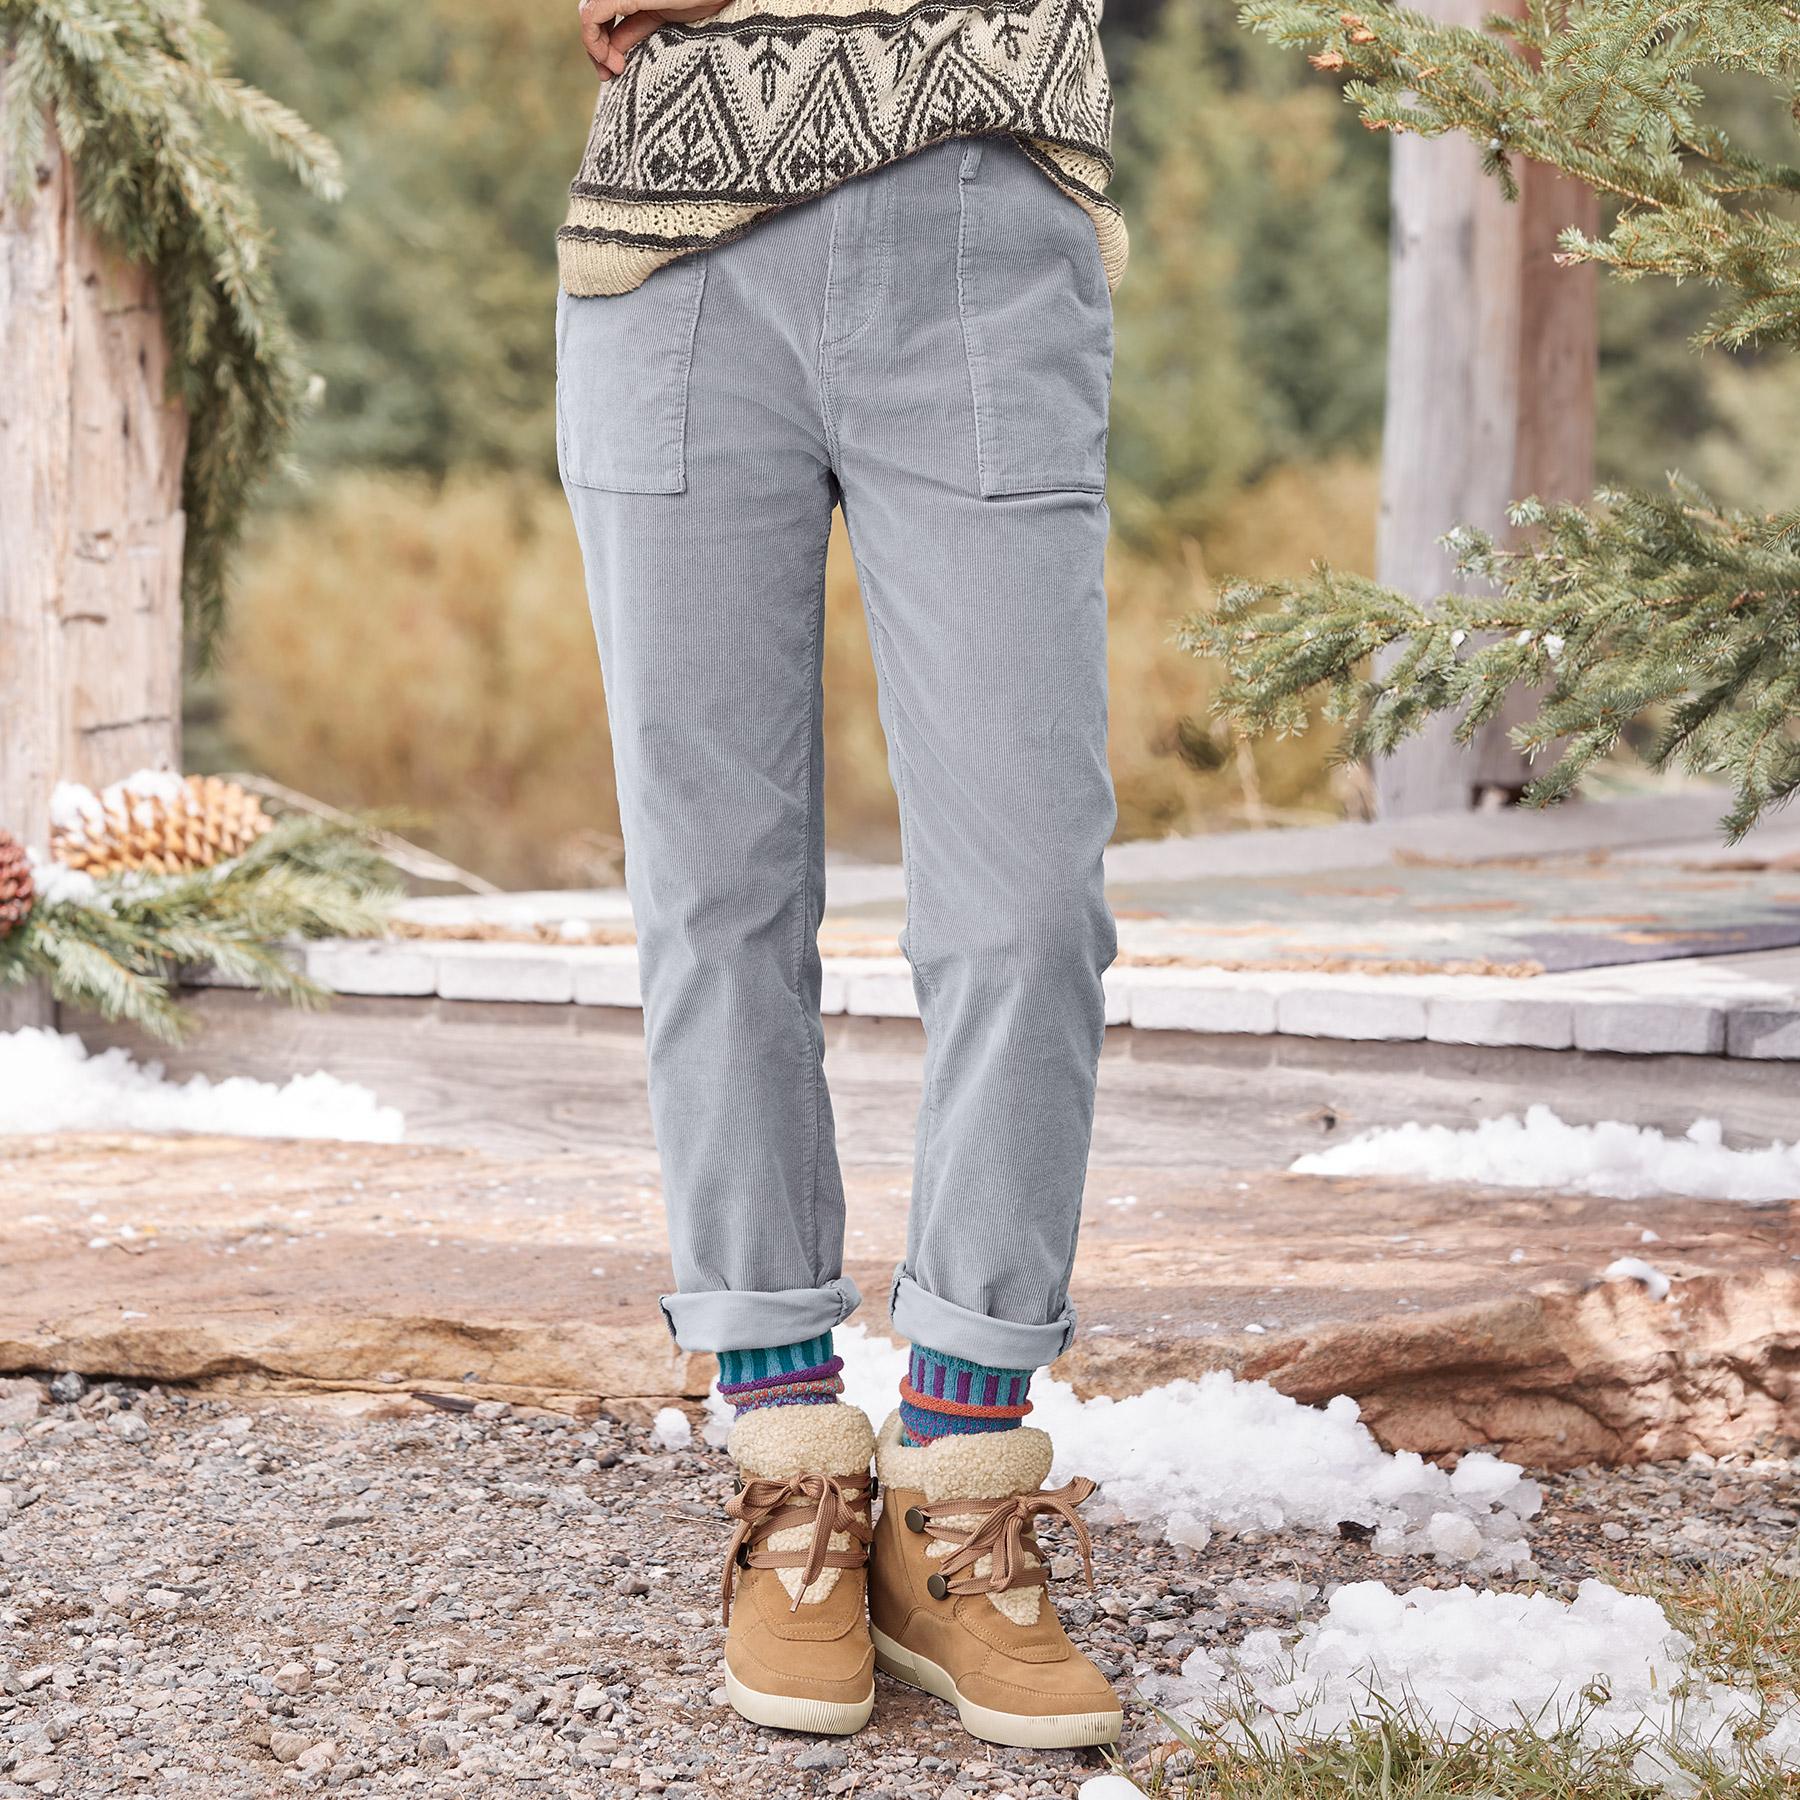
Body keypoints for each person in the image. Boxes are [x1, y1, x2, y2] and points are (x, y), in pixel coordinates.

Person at [558, 0, 1128, 1749]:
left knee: (1027, 903)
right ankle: (792, 1468)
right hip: (675, 250)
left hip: (981, 221)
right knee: (716, 898)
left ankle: (960, 1476)